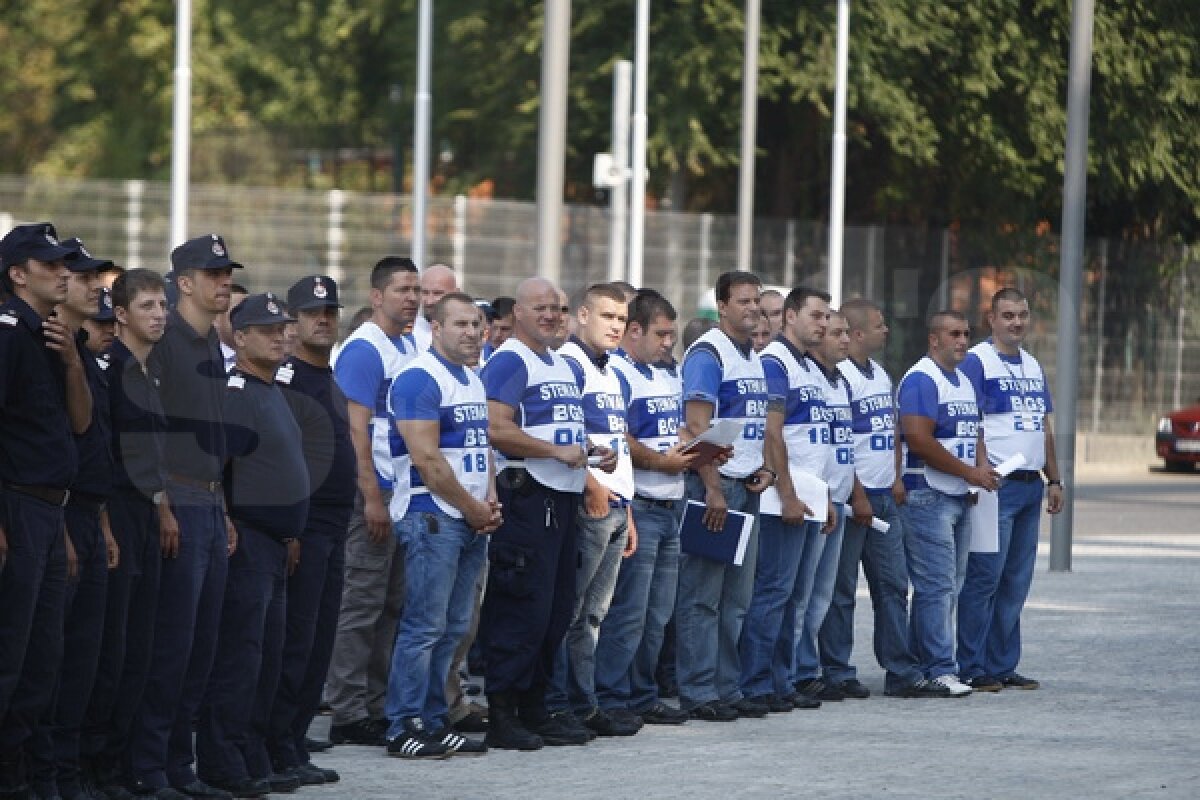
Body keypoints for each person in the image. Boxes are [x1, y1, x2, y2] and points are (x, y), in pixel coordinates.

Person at [477, 277, 614, 751]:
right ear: (517, 311)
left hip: (564, 498)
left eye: (558, 307)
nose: (553, 315)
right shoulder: (510, 359)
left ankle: (535, 705)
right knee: (522, 607)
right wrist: (556, 453)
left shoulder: (559, 363)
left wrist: (592, 452)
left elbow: (561, 428)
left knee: (555, 611)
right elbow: (497, 429)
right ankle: (503, 712)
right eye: (542, 307)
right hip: (527, 498)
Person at [130, 233, 241, 799]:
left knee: (200, 647)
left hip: (208, 499)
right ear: (185, 283)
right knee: (171, 645)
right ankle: (150, 768)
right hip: (175, 499)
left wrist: (221, 503)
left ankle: (180, 765)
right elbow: (149, 432)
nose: (224, 282)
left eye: (227, 273)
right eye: (213, 273)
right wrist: (163, 504)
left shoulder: (212, 346)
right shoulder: (166, 339)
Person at [196, 294, 307, 799]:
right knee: (240, 657)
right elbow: (214, 467)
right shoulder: (236, 391)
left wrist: (291, 532)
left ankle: (253, 753)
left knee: (267, 656)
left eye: (283, 327)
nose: (280, 335)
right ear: (239, 338)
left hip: (276, 542)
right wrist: (226, 520)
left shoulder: (271, 388)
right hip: (248, 541)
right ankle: (223, 760)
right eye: (267, 329)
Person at [383, 292, 501, 759]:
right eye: (461, 324)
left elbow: (482, 448)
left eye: (477, 324)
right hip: (431, 515)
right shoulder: (418, 378)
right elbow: (428, 461)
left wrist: (490, 499)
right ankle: (403, 724)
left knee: (453, 628)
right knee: (423, 627)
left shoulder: (471, 378)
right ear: (436, 328)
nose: (473, 332)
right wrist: (471, 507)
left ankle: (434, 719)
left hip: (469, 518)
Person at [0, 223, 92, 800]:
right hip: (16, 507)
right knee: (10, 655)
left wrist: (74, 361)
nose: (63, 272)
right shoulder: (8, 332)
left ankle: (18, 774)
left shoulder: (52, 336)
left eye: (66, 264)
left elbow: (79, 425)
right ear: (17, 274)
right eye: (50, 264)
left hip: (49, 510)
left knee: (42, 658)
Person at [27, 238, 116, 800]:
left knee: (84, 657)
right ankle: (39, 774)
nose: (88, 284)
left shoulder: (76, 349)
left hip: (84, 512)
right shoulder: (31, 340)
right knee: (46, 657)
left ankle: (67, 770)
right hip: (49, 511)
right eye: (76, 274)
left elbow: (85, 434)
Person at [81, 269, 170, 798]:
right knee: (108, 651)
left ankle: (121, 764)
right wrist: (108, 524)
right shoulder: (110, 368)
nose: (159, 314)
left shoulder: (152, 371)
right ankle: (92, 765)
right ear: (120, 314)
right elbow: (107, 454)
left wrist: (162, 510)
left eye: (162, 304)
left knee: (139, 646)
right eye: (147, 306)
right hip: (113, 512)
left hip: (145, 513)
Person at [819, 298, 934, 698]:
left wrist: (897, 476)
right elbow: (841, 443)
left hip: (886, 496)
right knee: (842, 590)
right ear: (857, 333)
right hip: (857, 500)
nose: (887, 330)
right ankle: (836, 670)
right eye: (880, 325)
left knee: (892, 585)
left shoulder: (882, 375)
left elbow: (893, 431)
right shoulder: (840, 377)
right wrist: (859, 493)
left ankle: (900, 670)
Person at [265, 276, 356, 786]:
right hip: (305, 526)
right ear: (293, 322)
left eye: (330, 310)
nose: (323, 318)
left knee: (319, 640)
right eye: (311, 312)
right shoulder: (287, 379)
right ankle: (277, 745)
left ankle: (294, 740)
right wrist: (291, 528)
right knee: (296, 642)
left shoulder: (330, 378)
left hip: (335, 523)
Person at [326, 257, 420, 746]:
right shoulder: (365, 349)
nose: (412, 298)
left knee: (391, 605)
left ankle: (376, 702)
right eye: (402, 289)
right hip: (376, 492)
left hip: (403, 492)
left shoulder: (409, 343)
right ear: (377, 295)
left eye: (416, 290)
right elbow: (354, 430)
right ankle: (345, 709)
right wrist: (370, 497)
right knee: (361, 604)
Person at [675, 271, 774, 720]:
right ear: (722, 304)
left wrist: (766, 469)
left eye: (757, 301)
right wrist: (713, 488)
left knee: (736, 599)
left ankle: (726, 687)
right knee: (703, 597)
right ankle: (698, 691)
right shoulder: (708, 354)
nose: (753, 308)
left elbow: (754, 427)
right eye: (744, 301)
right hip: (716, 489)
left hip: (747, 486)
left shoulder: (751, 355)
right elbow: (697, 428)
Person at [594, 290, 695, 725]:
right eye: (661, 333)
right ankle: (612, 695)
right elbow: (620, 438)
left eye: (672, 334)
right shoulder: (618, 371)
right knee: (628, 612)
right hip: (643, 505)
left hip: (672, 504)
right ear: (634, 330)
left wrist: (698, 448)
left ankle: (642, 691)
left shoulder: (666, 374)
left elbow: (678, 427)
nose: (669, 342)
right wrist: (660, 459)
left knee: (658, 614)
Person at [957, 288, 1063, 692]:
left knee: (1016, 581)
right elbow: (972, 422)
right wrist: (978, 473)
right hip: (995, 487)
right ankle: (971, 664)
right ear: (991, 319)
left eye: (1022, 314)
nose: (1016, 322)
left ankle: (1002, 663)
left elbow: (1043, 428)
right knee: (985, 577)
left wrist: (1054, 479)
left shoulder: (1033, 366)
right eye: (1008, 315)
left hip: (1029, 487)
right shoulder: (977, 362)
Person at [738, 287, 833, 712]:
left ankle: (781, 678)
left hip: (811, 494)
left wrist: (825, 496)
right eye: (816, 314)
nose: (824, 323)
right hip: (783, 499)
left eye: (826, 316)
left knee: (794, 596)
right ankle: (757, 683)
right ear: (790, 316)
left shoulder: (809, 365)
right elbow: (771, 432)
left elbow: (815, 440)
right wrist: (788, 494)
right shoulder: (775, 362)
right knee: (773, 592)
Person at [551, 284, 639, 737]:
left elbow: (618, 443)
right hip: (590, 503)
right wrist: (592, 486)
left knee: (593, 616)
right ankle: (561, 704)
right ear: (582, 315)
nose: (615, 326)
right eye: (607, 316)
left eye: (621, 319)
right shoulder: (569, 363)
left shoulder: (615, 370)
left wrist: (629, 509)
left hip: (617, 505)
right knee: (571, 612)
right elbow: (565, 434)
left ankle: (585, 704)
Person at [897, 310, 998, 698]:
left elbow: (974, 432)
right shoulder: (922, 379)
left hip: (957, 494)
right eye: (954, 334)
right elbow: (919, 440)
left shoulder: (963, 381)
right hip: (926, 494)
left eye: (966, 334)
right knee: (935, 586)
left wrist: (982, 467)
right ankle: (940, 667)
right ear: (933, 339)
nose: (962, 341)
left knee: (949, 585)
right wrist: (969, 473)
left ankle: (921, 664)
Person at [791, 311, 858, 704]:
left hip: (835, 498)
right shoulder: (807, 377)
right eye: (836, 332)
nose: (844, 339)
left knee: (822, 595)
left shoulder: (839, 381)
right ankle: (800, 671)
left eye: (847, 332)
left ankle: (807, 667)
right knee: (801, 592)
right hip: (810, 496)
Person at [410, 264, 458, 352]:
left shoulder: (468, 334)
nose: (429, 301)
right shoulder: (408, 335)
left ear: (456, 293)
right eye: (425, 292)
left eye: (437, 293)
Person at [214, 284, 249, 373]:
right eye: (237, 312)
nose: (246, 318)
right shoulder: (199, 358)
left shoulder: (266, 358)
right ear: (215, 319)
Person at [483, 296, 515, 360]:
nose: (497, 335)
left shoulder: (528, 358)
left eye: (505, 329)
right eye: (494, 328)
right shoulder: (473, 356)